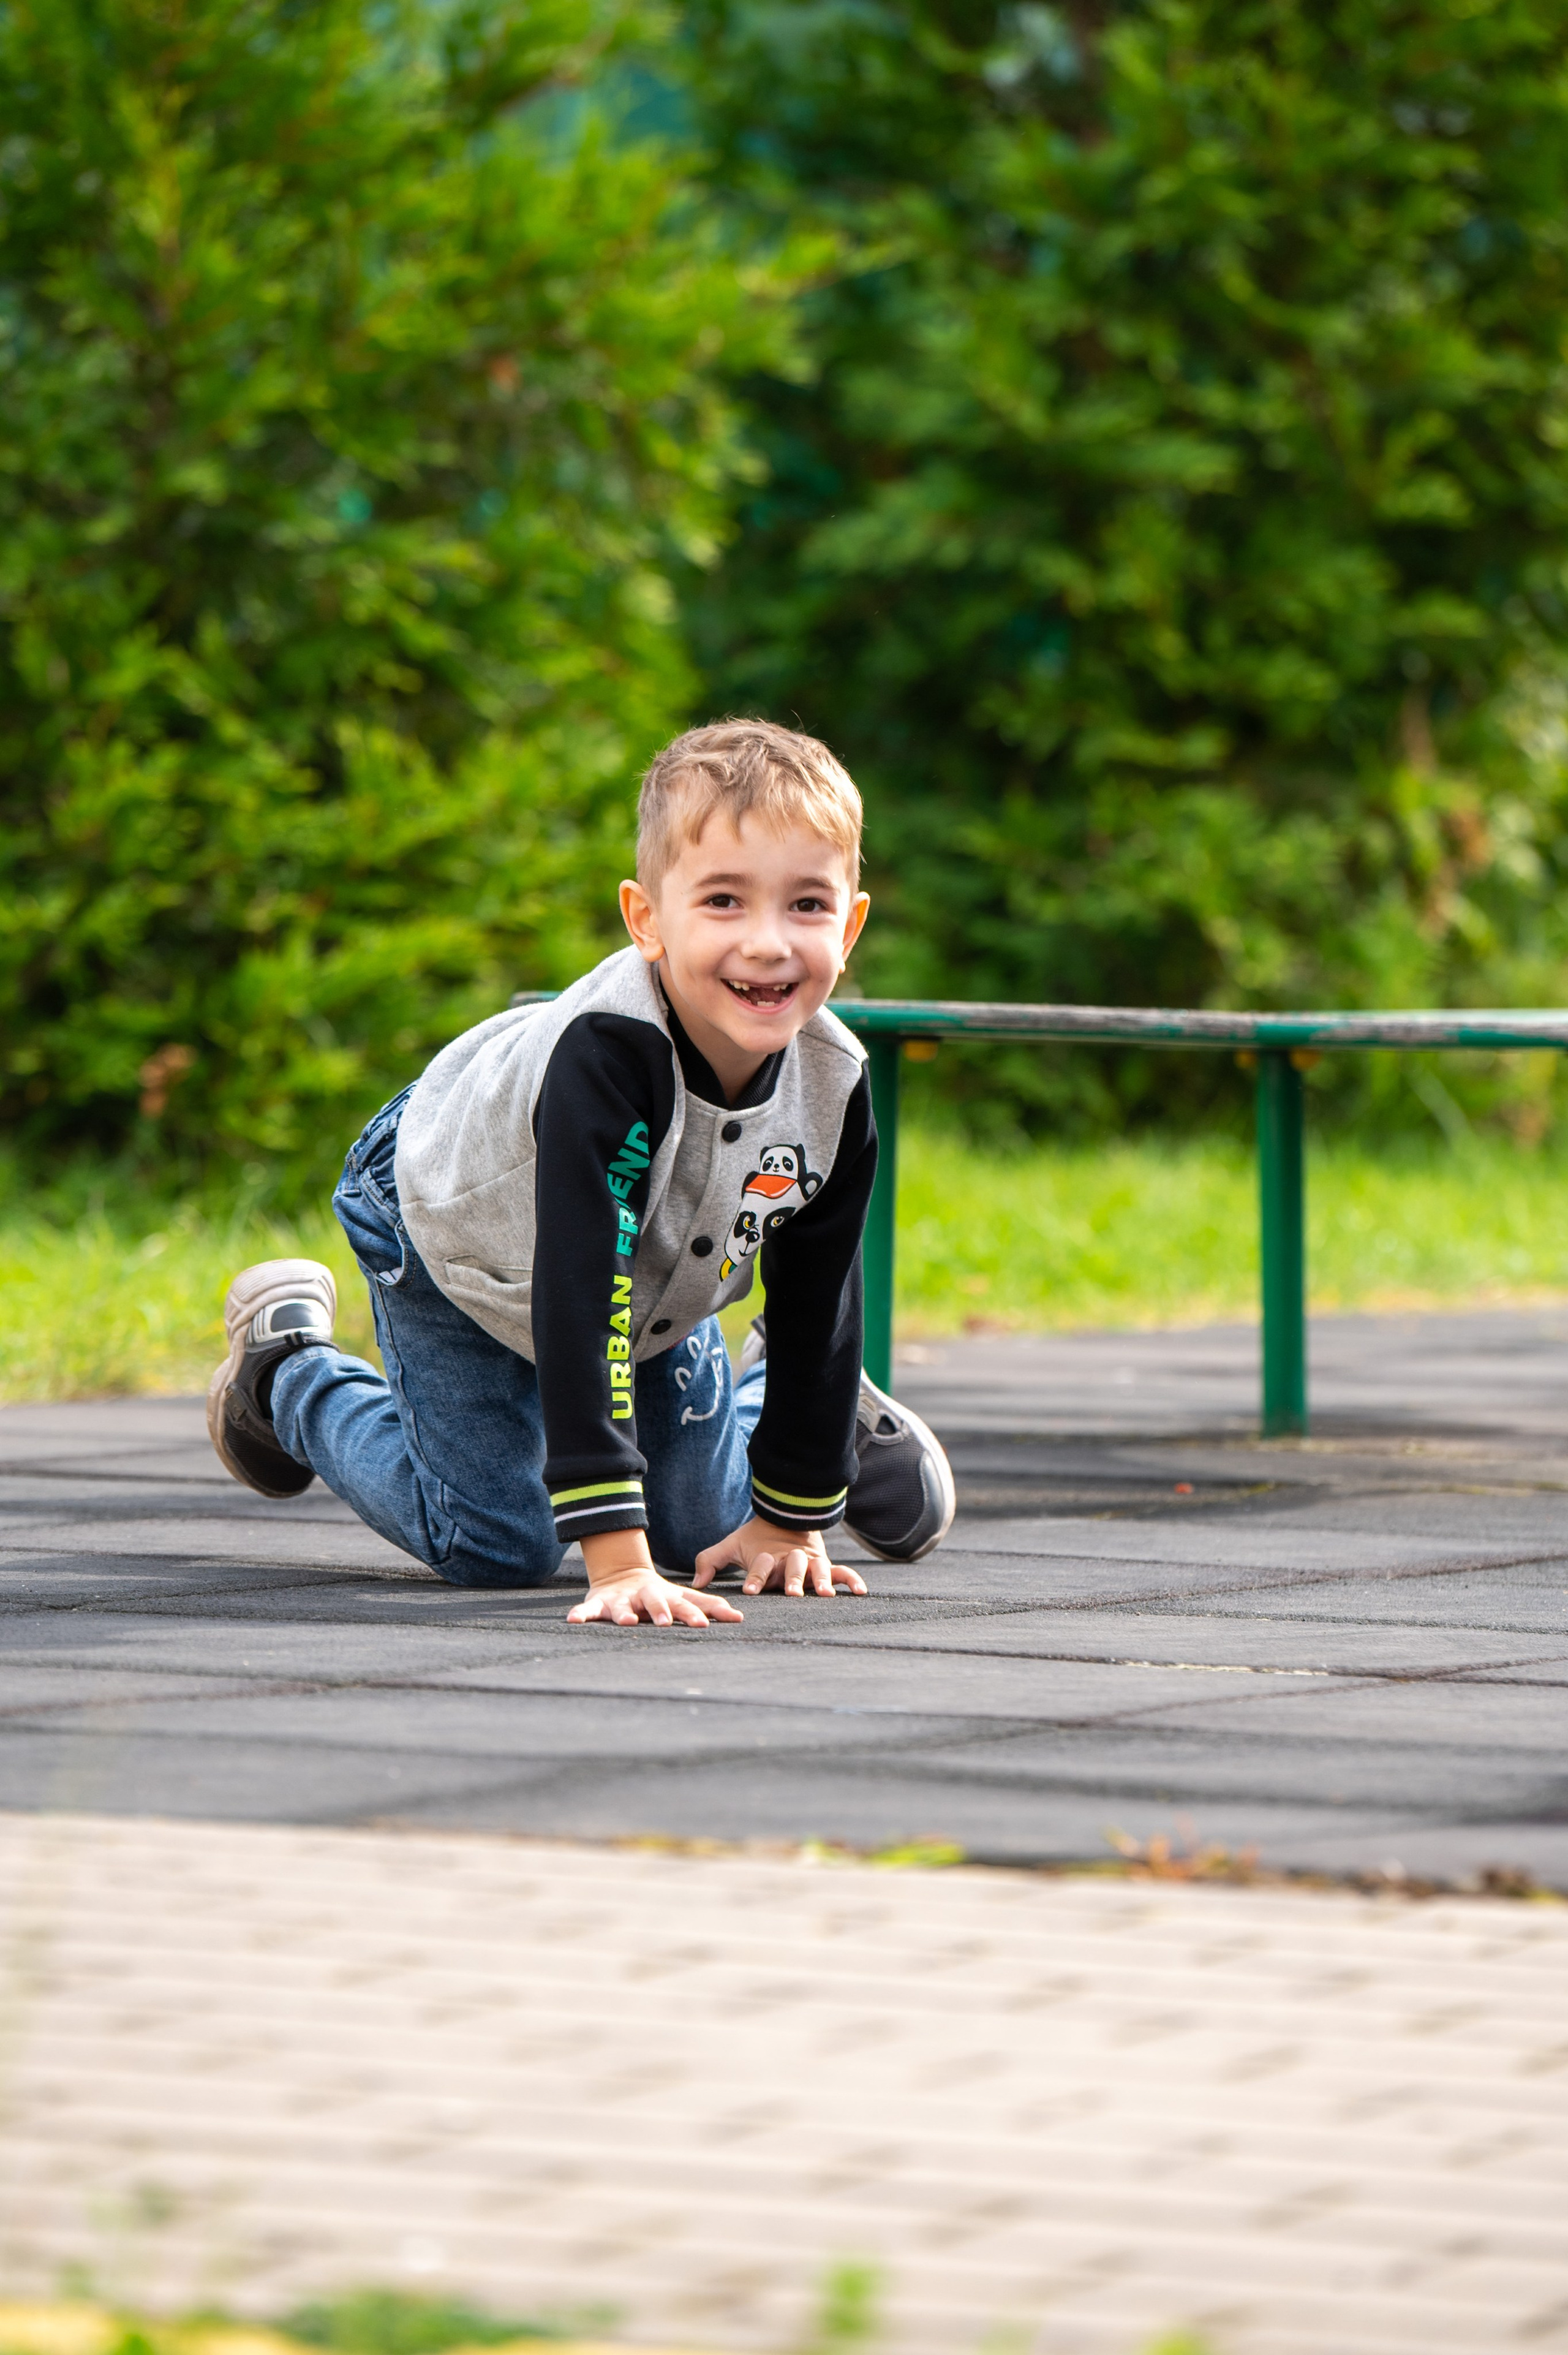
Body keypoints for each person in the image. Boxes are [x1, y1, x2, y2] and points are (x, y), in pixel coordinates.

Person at [205, 719, 956, 1626]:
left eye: (807, 906)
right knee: (502, 1546)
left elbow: (820, 1298)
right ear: (647, 919)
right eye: (723, 901)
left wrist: (793, 1518)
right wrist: (614, 1559)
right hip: (455, 1225)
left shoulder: (833, 1089)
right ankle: (286, 1372)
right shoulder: (610, 1058)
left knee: (714, 1533)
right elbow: (581, 1282)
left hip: (655, 1269)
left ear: (853, 923)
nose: (768, 943)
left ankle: (785, 1407)